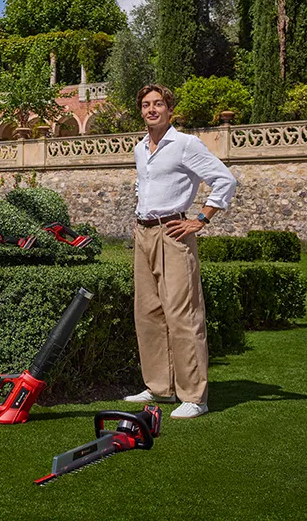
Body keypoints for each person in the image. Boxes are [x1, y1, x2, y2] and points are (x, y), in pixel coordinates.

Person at [123, 84, 237, 419]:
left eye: (158, 104)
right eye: (146, 104)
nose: (152, 109)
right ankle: (160, 386)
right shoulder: (140, 148)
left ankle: (195, 396)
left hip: (173, 233)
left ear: (170, 110)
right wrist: (140, 215)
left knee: (183, 315)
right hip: (144, 233)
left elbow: (225, 180)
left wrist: (201, 219)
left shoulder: (186, 144)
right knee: (148, 314)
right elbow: (143, 184)